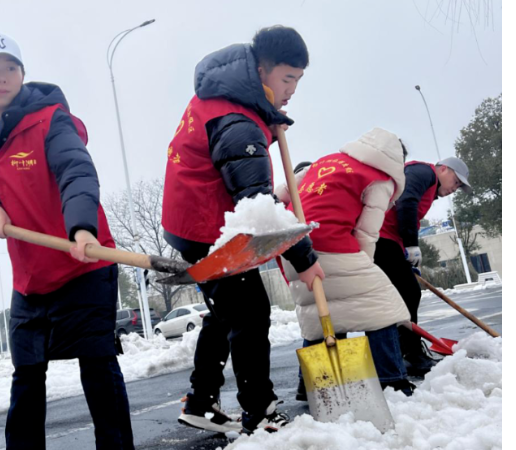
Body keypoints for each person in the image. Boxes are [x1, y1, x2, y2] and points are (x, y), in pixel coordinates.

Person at [0, 32, 135, 450]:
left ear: (22, 74)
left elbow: (76, 170)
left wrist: (81, 228)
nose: (1, 77)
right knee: (27, 374)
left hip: (84, 261)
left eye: (10, 68)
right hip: (30, 277)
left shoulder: (50, 119)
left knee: (97, 365)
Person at [162, 25, 324, 434]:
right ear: (261, 69)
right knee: (250, 311)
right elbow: (258, 209)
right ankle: (260, 412)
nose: (293, 89)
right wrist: (304, 259)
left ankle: (201, 401)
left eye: (298, 81)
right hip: (207, 228)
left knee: (226, 313)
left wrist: (269, 122)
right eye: (287, 79)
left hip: (195, 219)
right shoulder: (237, 120)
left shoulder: (228, 95)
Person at [277, 128, 415, 398]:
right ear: (397, 161)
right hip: (332, 244)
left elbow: (282, 192)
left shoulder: (326, 160)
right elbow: (366, 233)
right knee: (382, 306)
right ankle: (392, 380)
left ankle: (312, 386)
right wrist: (364, 265)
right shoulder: (380, 179)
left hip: (293, 244)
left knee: (320, 311)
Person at [376, 156, 472, 376]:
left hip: (388, 240)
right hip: (380, 239)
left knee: (403, 294)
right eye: (456, 182)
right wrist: (411, 244)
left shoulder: (428, 184)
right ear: (444, 169)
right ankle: (411, 355)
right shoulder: (424, 172)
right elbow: (406, 202)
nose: (455, 189)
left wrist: (405, 254)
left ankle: (402, 352)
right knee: (409, 293)